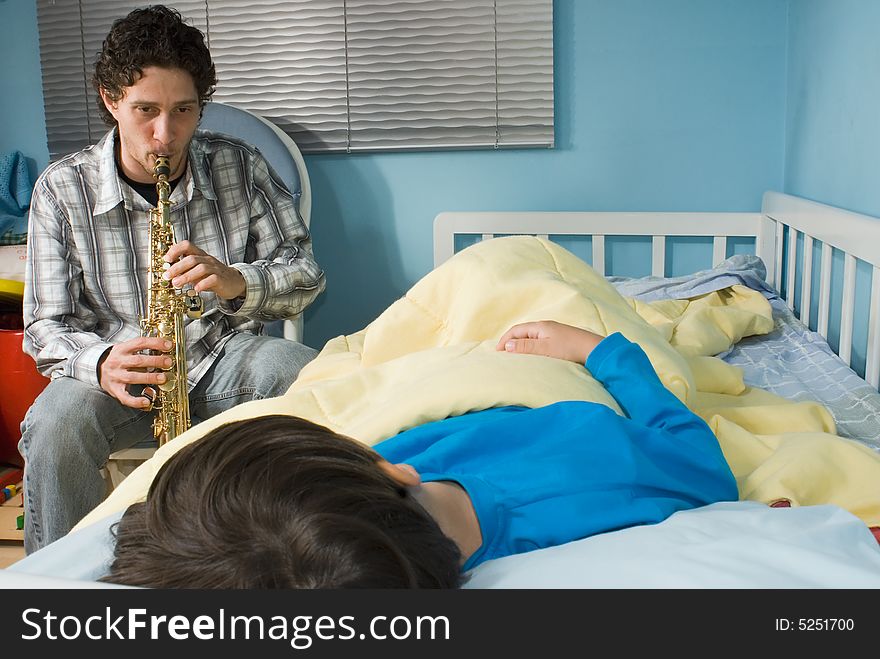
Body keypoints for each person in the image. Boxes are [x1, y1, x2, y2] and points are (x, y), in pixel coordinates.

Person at [104, 321, 738, 588]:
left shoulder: (368, 538)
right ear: (388, 470)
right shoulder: (617, 481)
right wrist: (600, 350)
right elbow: (699, 458)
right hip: (568, 381)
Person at [20, 5, 325, 553]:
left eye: (184, 110)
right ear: (111, 101)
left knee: (310, 377)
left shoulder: (239, 164)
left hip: (219, 355)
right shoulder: (60, 189)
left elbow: (306, 275)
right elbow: (44, 326)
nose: (166, 135)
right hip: (118, 377)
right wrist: (100, 362)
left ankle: (300, 561)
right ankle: (55, 587)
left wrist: (236, 280)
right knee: (54, 425)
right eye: (146, 111)